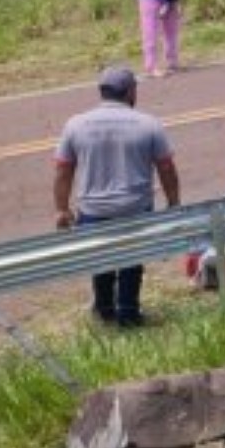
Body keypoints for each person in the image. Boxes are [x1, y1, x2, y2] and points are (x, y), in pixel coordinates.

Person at [54, 66, 180, 327]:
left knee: (101, 260)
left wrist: (62, 209)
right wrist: (173, 202)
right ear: (131, 91)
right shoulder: (148, 124)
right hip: (135, 208)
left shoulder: (75, 125)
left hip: (93, 210)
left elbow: (63, 171)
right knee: (131, 262)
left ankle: (104, 309)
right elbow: (166, 167)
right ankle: (129, 313)